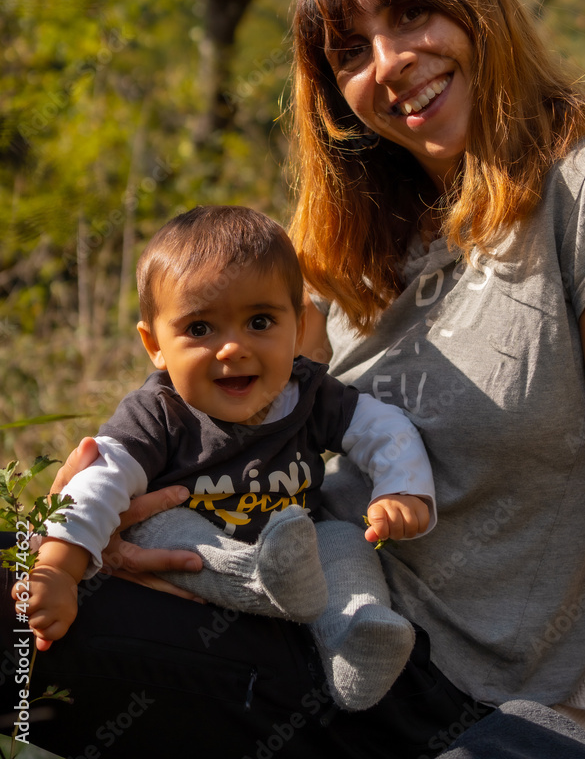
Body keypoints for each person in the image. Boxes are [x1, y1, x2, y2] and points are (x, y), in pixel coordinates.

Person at [7, 0, 585, 759]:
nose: (391, 65)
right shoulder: (341, 259)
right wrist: (114, 526)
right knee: (11, 609)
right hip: (323, 639)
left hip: (499, 699)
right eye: (350, 53)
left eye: (410, 15)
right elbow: (234, 432)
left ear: (477, 12)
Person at [19, 204, 437, 712]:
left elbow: (382, 425)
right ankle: (265, 580)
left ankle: (358, 634)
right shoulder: (160, 413)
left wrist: (402, 490)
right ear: (155, 345)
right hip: (196, 549)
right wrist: (60, 570)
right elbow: (98, 480)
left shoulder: (307, 394)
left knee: (343, 539)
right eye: (199, 329)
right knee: (163, 526)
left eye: (260, 321)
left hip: (297, 544)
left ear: (298, 325)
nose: (232, 347)